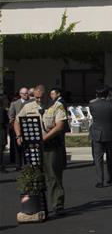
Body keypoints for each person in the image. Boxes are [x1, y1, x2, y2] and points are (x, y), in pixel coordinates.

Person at [14, 84, 67, 217]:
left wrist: (44, 138)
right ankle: (40, 204)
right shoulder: (28, 106)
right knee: (35, 176)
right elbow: (16, 121)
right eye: (36, 97)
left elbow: (60, 126)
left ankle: (58, 205)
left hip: (50, 147)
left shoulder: (56, 106)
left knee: (53, 176)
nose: (38, 100)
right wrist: (19, 135)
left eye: (41, 97)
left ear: (46, 95)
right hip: (33, 147)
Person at [88, 85, 112, 187]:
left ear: (97, 94)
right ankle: (110, 177)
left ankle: (99, 180)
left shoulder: (92, 105)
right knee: (110, 156)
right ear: (107, 94)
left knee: (98, 158)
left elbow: (93, 115)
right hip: (109, 132)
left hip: (96, 132)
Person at [7, 87, 29, 171]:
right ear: (20, 94)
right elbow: (11, 116)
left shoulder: (30, 103)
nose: (26, 95)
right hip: (17, 128)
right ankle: (18, 164)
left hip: (27, 127)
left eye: (27, 93)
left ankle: (27, 164)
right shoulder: (15, 103)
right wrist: (14, 124)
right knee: (17, 147)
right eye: (24, 94)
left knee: (26, 147)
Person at [49, 88, 69, 168]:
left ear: (58, 94)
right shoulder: (58, 101)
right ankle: (62, 162)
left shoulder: (60, 102)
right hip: (59, 126)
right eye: (51, 94)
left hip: (60, 126)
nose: (51, 96)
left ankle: (62, 163)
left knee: (60, 144)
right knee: (60, 144)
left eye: (53, 94)